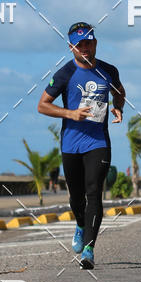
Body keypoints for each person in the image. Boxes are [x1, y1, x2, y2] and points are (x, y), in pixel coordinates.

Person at [37, 21, 125, 269]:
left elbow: (120, 92)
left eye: (88, 42)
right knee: (76, 198)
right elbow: (42, 105)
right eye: (79, 44)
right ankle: (80, 224)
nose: (84, 48)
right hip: (71, 144)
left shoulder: (109, 70)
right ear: (71, 47)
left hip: (98, 141)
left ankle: (89, 250)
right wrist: (70, 114)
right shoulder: (65, 73)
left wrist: (119, 107)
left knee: (94, 192)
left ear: (95, 43)